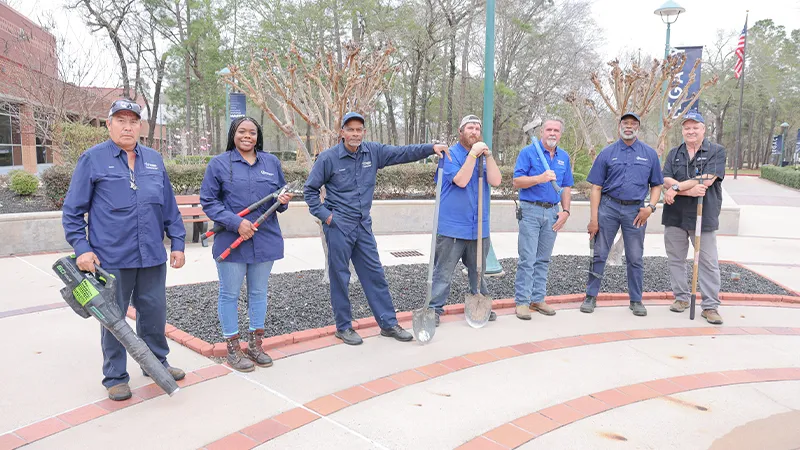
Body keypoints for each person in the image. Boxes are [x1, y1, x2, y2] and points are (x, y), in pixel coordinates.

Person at [62, 99, 186, 401]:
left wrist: (178, 242)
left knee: (154, 312)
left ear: (140, 126)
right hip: (110, 259)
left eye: (133, 121)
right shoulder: (92, 159)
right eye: (120, 120)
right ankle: (115, 376)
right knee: (112, 317)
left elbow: (168, 205)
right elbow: (72, 211)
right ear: (109, 124)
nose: (127, 126)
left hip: (152, 257)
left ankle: (156, 362)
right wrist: (82, 247)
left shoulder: (155, 160)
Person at [304, 112, 450, 345]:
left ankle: (388, 323)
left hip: (363, 225)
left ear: (364, 132)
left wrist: (431, 148)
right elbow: (309, 191)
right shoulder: (328, 158)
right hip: (339, 225)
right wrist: (327, 217)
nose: (354, 134)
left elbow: (403, 153)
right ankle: (343, 327)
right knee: (340, 277)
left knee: (375, 274)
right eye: (350, 129)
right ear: (342, 132)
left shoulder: (372, 152)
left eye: (359, 130)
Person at [200, 117, 293, 372]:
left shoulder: (271, 163)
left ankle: (255, 345)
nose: (247, 136)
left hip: (265, 240)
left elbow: (280, 200)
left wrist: (283, 199)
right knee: (229, 294)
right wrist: (235, 223)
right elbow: (208, 201)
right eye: (242, 131)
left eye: (252, 132)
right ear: (233, 134)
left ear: (258, 136)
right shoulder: (218, 164)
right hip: (232, 239)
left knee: (258, 293)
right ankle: (233, 348)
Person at [580, 112, 663, 316]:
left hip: (636, 211)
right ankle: (590, 296)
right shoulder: (607, 153)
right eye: (625, 123)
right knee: (599, 253)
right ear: (619, 126)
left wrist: (650, 208)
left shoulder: (649, 154)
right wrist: (593, 219)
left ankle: (636, 300)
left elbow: (657, 185)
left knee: (635, 257)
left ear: (638, 128)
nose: (629, 126)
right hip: (608, 208)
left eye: (633, 124)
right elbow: (596, 187)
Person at [428, 115, 502, 326]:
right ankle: (434, 308)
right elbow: (460, 180)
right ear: (461, 132)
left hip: (478, 226)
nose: (475, 131)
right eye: (470, 127)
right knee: (443, 272)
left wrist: (488, 156)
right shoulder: (449, 155)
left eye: (478, 128)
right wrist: (472, 155)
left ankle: (479, 300)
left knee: (478, 270)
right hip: (452, 227)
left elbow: (496, 181)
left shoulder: (483, 158)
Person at [661, 112, 726, 324]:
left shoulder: (716, 151)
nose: (690, 131)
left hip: (703, 216)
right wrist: (686, 191)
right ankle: (681, 298)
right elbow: (665, 179)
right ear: (682, 131)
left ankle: (710, 306)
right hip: (675, 215)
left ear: (704, 129)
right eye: (687, 128)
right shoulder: (674, 153)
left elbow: (707, 180)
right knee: (675, 260)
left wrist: (678, 187)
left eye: (695, 127)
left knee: (707, 261)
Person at [512, 118, 573, 320]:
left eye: (556, 130)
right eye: (549, 129)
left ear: (561, 134)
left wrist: (565, 211)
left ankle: (537, 299)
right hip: (531, 210)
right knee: (527, 259)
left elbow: (566, 187)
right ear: (541, 132)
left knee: (543, 259)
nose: (552, 133)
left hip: (553, 212)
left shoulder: (564, 157)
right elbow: (517, 182)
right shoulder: (528, 152)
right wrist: (540, 178)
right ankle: (522, 301)